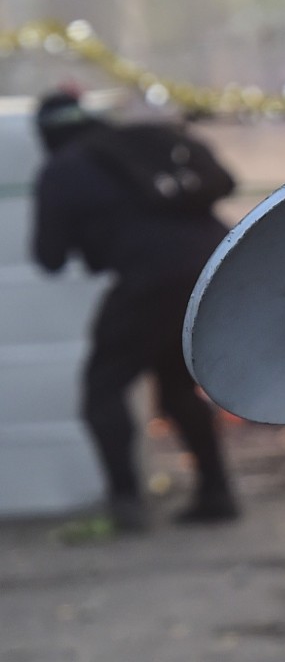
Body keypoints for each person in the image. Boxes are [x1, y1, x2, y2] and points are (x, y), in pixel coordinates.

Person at [32, 89, 241, 532]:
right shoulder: (140, 144)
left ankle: (126, 503)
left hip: (151, 279)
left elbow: (48, 256)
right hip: (216, 268)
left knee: (102, 389)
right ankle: (216, 492)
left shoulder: (63, 167)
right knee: (177, 385)